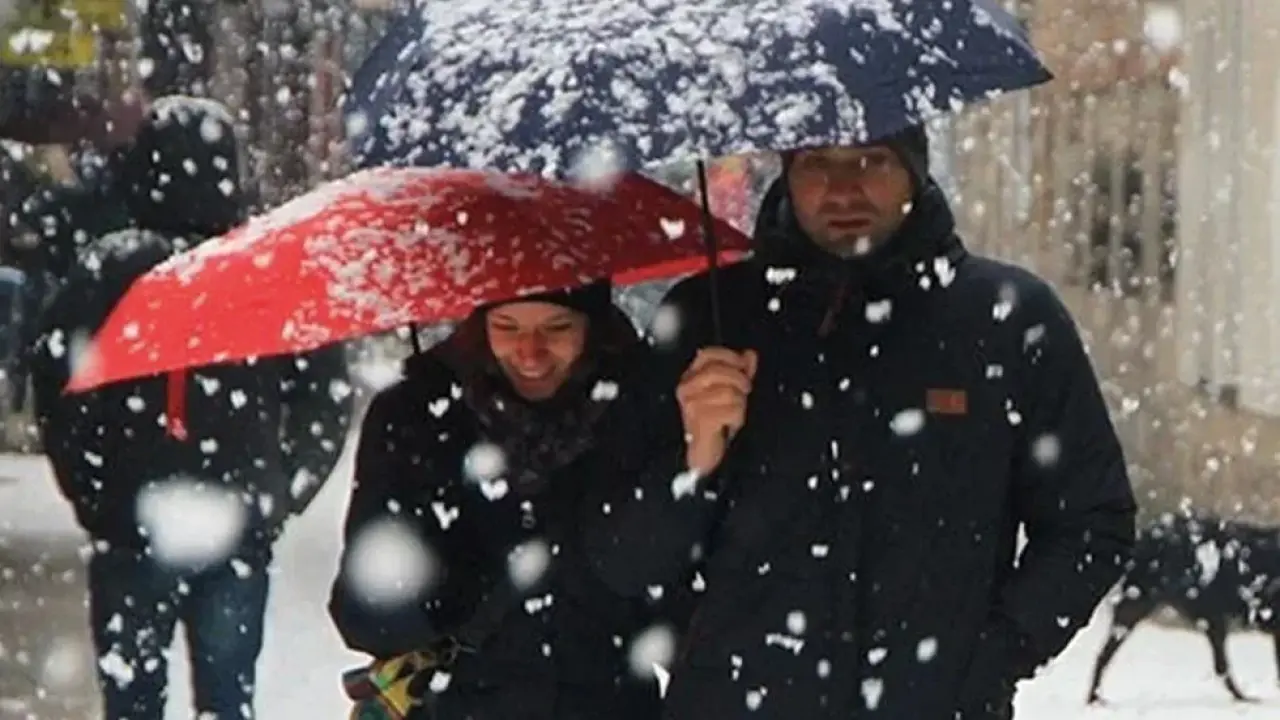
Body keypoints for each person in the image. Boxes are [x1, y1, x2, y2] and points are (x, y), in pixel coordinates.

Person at [583, 125, 1139, 719]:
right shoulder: (709, 319)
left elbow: (1090, 521)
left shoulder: (1005, 319)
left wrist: (989, 658)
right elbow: (622, 559)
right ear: (785, 173)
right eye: (816, 163)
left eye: (872, 161)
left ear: (915, 171)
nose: (843, 190)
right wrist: (694, 461)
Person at [28, 96, 352, 720]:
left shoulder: (110, 269)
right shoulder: (265, 271)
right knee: (228, 698)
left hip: (134, 521)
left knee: (131, 699)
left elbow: (58, 386)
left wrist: (94, 488)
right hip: (233, 522)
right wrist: (279, 491)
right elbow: (324, 397)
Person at [329, 283, 678, 720]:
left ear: (595, 328)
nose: (530, 352)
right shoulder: (417, 416)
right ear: (479, 325)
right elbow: (365, 619)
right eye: (507, 326)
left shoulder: (645, 410)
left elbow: (678, 606)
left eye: (557, 326)